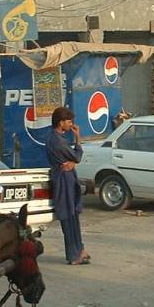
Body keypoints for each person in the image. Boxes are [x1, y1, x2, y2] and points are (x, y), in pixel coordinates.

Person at [46, 107, 89, 265]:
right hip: (63, 181)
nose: (71, 124)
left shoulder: (56, 138)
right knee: (69, 217)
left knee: (74, 215)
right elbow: (77, 156)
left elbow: (73, 160)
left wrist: (72, 162)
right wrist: (78, 138)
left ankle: (80, 249)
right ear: (61, 122)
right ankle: (73, 255)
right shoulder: (57, 141)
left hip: (67, 179)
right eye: (69, 121)